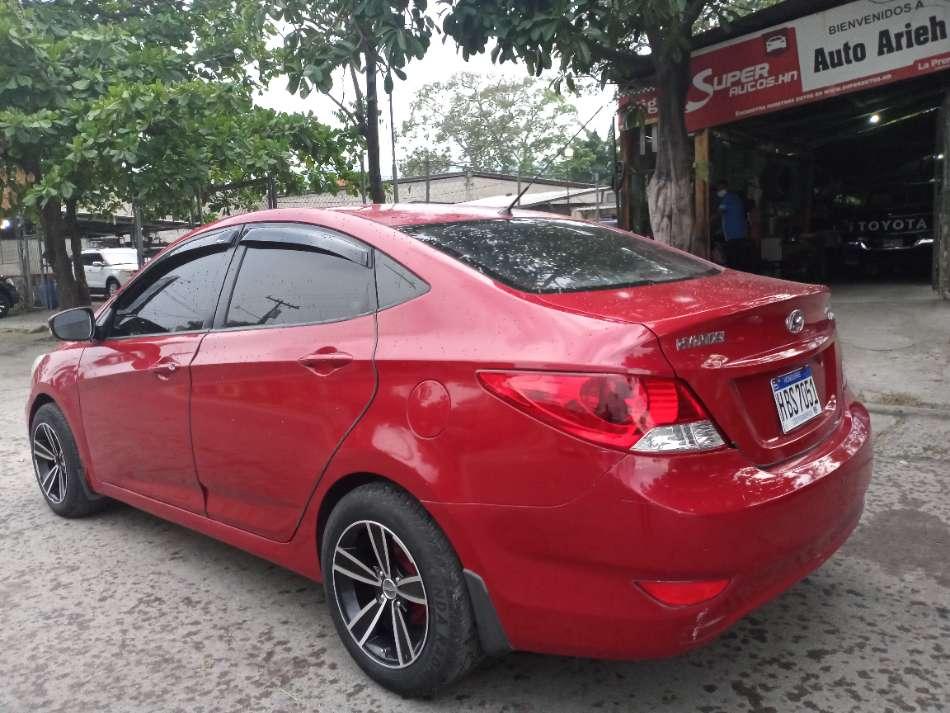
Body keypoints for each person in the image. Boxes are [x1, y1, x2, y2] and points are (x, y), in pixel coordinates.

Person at [716, 180, 751, 270]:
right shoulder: (735, 198)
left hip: (733, 235)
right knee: (740, 260)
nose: (718, 191)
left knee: (733, 261)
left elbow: (719, 213)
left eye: (720, 188)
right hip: (741, 233)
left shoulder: (727, 198)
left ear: (725, 188)